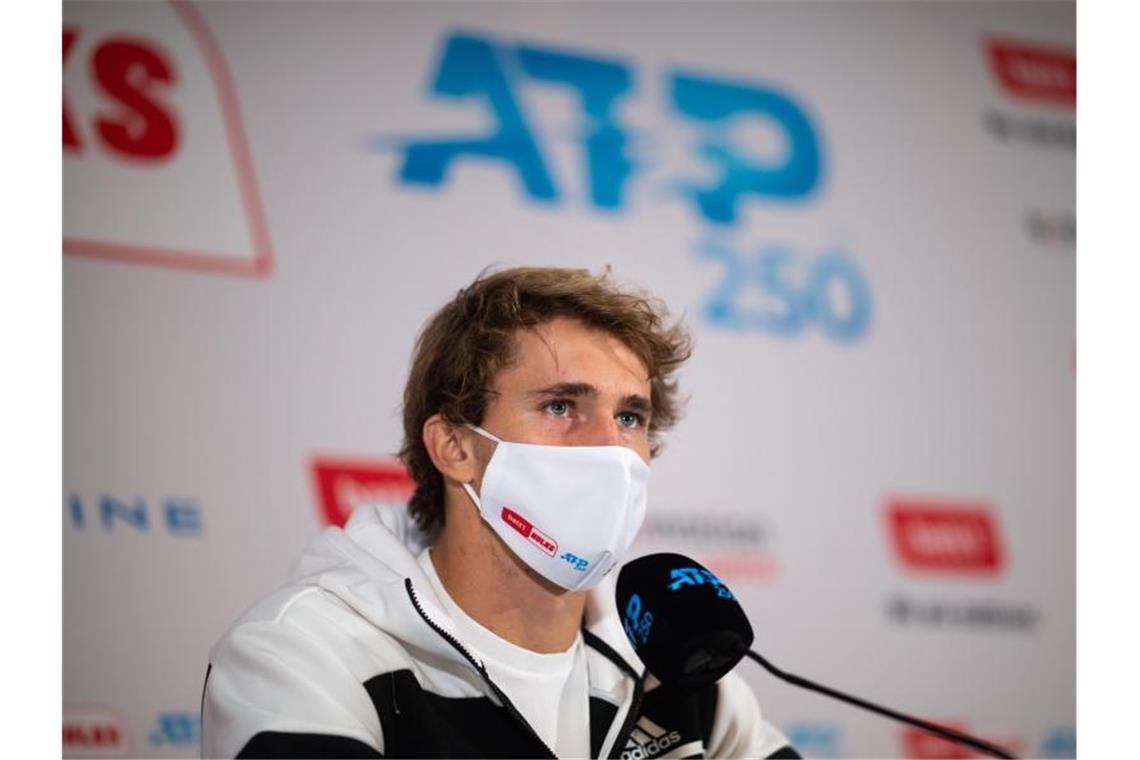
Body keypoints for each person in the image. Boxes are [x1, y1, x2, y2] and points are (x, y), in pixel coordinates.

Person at [201, 267, 798, 758]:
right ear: (457, 448)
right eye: (562, 406)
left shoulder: (674, 668)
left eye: (629, 418)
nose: (612, 450)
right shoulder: (305, 652)